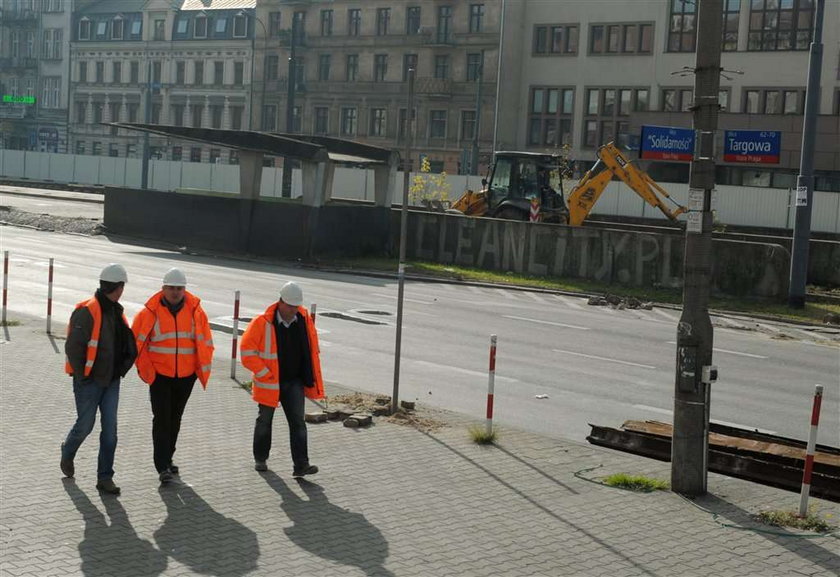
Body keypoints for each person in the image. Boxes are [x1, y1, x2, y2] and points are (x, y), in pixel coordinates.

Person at [132, 268, 214, 484]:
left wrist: (199, 370)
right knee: (161, 420)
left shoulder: (197, 312)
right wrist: (149, 372)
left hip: (186, 376)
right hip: (160, 376)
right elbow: (137, 345)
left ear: (184, 290)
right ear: (163, 289)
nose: (175, 292)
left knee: (175, 419)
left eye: (179, 288)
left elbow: (205, 343)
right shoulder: (149, 313)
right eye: (171, 288)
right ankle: (162, 467)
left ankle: (168, 458)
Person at [61, 263, 137, 495]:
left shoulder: (116, 310)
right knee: (85, 426)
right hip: (90, 381)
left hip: (111, 381)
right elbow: (73, 348)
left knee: (110, 431)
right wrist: (84, 375)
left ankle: (105, 478)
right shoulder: (88, 311)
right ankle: (68, 450)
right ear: (119, 287)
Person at [241, 281, 325, 477]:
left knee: (298, 423)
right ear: (280, 302)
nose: (293, 310)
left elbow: (311, 351)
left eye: (296, 306)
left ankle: (301, 465)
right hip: (270, 382)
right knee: (265, 421)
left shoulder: (304, 320)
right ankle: (260, 458)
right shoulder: (262, 323)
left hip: (294, 380)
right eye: (290, 306)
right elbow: (247, 352)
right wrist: (264, 374)